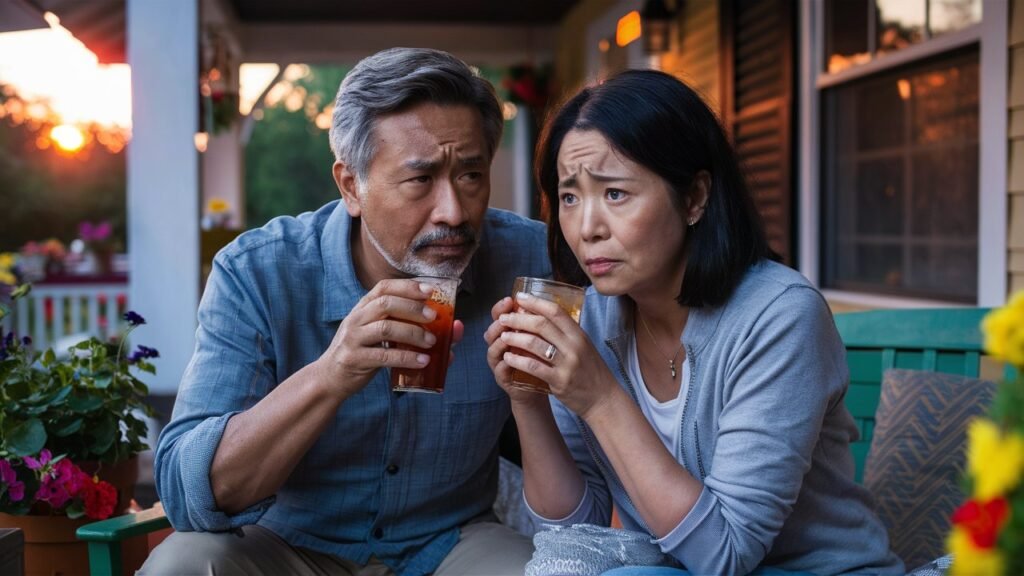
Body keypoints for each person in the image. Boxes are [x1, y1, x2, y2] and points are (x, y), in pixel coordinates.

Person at [143, 47, 549, 576]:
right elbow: (185, 491)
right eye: (420, 180)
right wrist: (332, 374)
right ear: (352, 186)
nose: (453, 211)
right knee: (183, 565)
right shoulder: (260, 273)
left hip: (451, 542)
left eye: (470, 176)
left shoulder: (530, 260)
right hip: (286, 545)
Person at [484, 69, 904, 576]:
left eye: (614, 193)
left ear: (694, 198)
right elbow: (574, 531)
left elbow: (725, 555)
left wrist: (598, 396)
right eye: (570, 197)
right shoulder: (592, 316)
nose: (586, 228)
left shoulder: (779, 316)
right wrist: (528, 401)